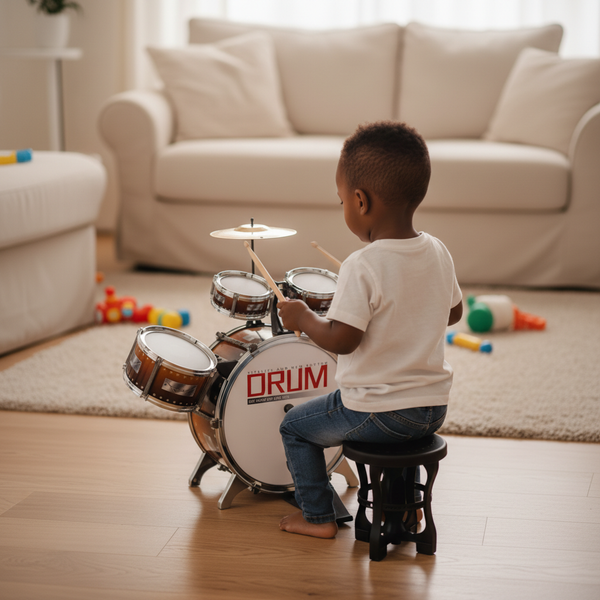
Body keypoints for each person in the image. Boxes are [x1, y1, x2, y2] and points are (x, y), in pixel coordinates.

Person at [277, 121, 463, 539]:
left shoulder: (363, 264)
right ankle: (404, 512)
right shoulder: (437, 250)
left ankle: (317, 517)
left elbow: (343, 339)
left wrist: (304, 317)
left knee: (295, 428)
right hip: (430, 408)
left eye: (341, 199)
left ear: (360, 201)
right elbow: (453, 313)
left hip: (375, 410)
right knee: (400, 428)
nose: (343, 206)